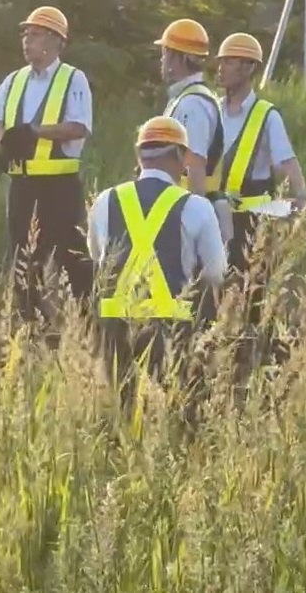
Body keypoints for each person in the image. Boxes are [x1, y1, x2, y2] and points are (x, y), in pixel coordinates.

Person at [89, 116, 228, 424]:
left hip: (115, 331)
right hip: (171, 332)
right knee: (177, 420)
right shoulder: (197, 206)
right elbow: (216, 273)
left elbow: (98, 259)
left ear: (140, 156)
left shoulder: (105, 201)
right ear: (179, 155)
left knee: (122, 419)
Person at [0, 6, 95, 324]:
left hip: (60, 190)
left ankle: (84, 328)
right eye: (25, 34)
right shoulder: (14, 80)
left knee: (72, 263)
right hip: (23, 189)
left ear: (54, 40)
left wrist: (34, 132)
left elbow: (79, 127)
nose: (26, 40)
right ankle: (29, 329)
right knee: (23, 264)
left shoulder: (73, 78)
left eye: (34, 34)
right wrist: (5, 142)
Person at [213, 33, 306, 322]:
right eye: (220, 61)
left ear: (248, 68)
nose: (220, 68)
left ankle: (253, 345)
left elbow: (287, 162)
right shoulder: (212, 110)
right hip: (214, 217)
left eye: (228, 61)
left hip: (252, 225)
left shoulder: (266, 116)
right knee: (209, 298)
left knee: (252, 299)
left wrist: (301, 199)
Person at [154, 18, 223, 197]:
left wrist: (195, 210)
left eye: (166, 53)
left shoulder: (192, 104)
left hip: (183, 202)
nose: (162, 60)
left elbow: (195, 166)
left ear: (181, 58)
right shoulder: (185, 98)